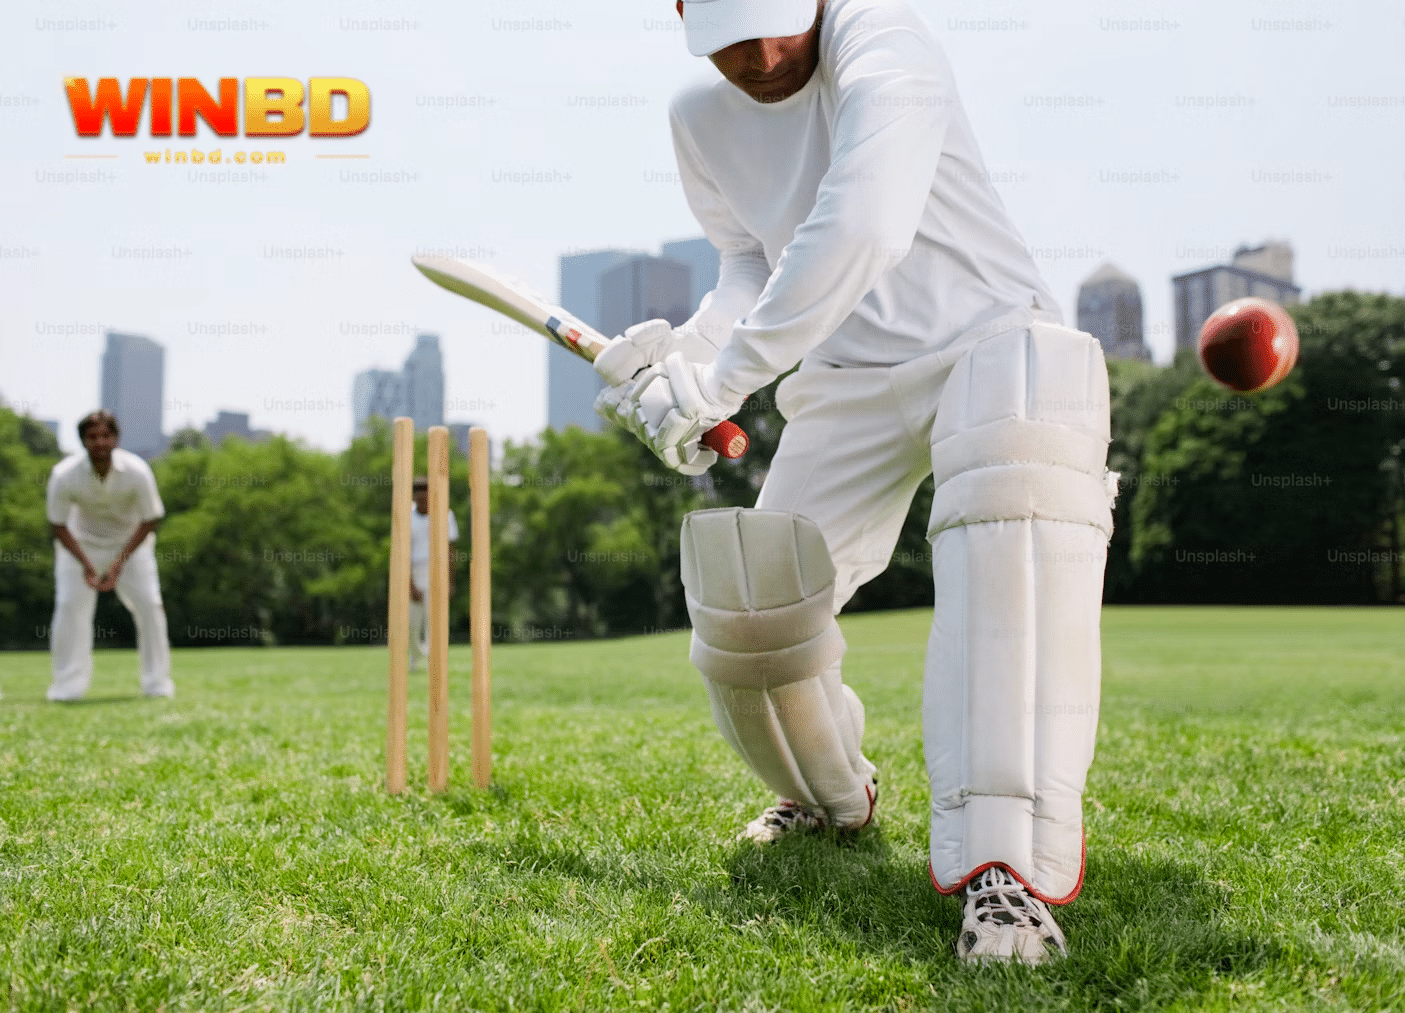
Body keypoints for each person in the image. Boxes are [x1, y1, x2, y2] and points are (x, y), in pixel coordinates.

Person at [593, 0, 1116, 963]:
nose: (760, 53)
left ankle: (1003, 877)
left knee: (1015, 541)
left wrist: (723, 377)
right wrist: (684, 361)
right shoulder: (696, 116)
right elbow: (750, 257)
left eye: (776, 21)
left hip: (992, 342)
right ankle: (831, 799)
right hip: (845, 376)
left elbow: (861, 223)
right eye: (728, 32)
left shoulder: (884, 37)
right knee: (754, 609)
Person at [45, 410, 174, 700]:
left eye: (106, 436)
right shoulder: (64, 475)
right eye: (93, 437)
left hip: (130, 546)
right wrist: (87, 565)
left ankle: (157, 683)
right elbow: (58, 524)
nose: (100, 442)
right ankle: (68, 685)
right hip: (80, 546)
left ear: (115, 438)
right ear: (83, 441)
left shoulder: (137, 471)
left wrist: (118, 563)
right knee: (69, 606)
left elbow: (150, 518)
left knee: (150, 606)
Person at [407, 476, 458, 670]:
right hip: (414, 570)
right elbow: (402, 552)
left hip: (438, 570)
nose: (422, 494)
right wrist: (409, 583)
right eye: (418, 490)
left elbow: (450, 549)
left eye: (426, 490)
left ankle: (433, 660)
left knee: (435, 621)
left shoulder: (445, 513)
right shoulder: (407, 515)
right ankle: (415, 655)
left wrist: (450, 581)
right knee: (411, 622)